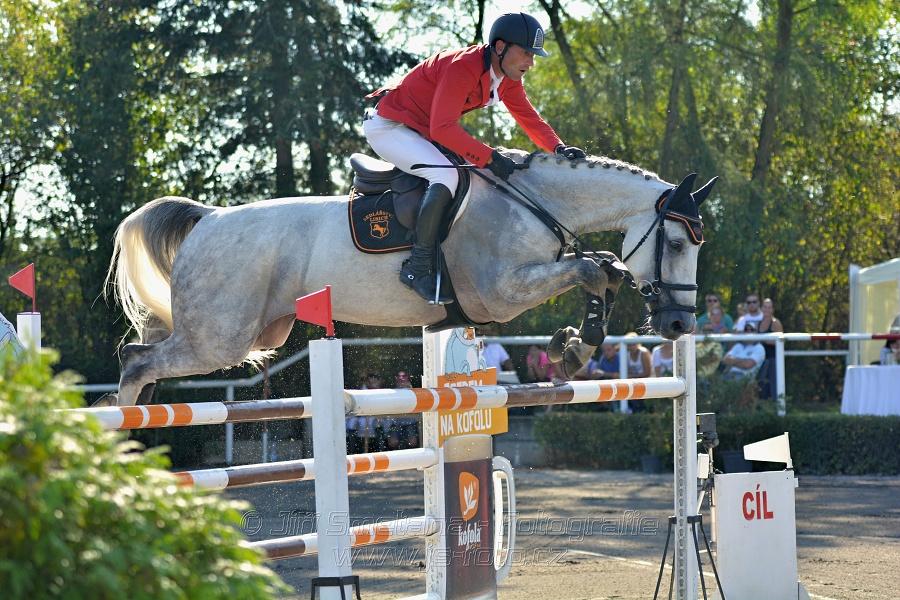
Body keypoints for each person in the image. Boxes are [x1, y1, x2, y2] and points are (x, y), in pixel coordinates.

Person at [364, 12, 585, 304]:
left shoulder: (506, 78)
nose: (531, 63)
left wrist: (558, 148)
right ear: (501, 47)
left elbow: (529, 118)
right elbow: (442, 128)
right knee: (446, 175)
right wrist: (489, 157)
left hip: (419, 131)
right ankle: (417, 268)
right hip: (390, 127)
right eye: (526, 54)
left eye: (533, 56)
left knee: (471, 177)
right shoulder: (463, 68)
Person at [757, 298, 784, 400]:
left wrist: (763, 340)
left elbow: (781, 341)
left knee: (774, 385)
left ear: (773, 309)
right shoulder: (758, 324)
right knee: (762, 385)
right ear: (761, 308)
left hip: (773, 359)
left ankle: (777, 410)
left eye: (769, 307)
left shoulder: (776, 323)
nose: (767, 309)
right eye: (765, 307)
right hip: (761, 359)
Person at [391, 372, 420, 448]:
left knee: (412, 441)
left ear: (408, 382)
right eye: (399, 381)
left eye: (403, 381)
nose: (401, 383)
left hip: (411, 424)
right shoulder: (392, 393)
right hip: (396, 424)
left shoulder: (412, 392)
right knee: (392, 441)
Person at [624, 332, 652, 411]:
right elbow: (628, 372)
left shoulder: (643, 353)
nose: (631, 347)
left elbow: (647, 373)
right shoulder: (627, 354)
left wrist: (630, 377)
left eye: (633, 344)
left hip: (646, 383)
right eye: (629, 345)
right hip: (635, 383)